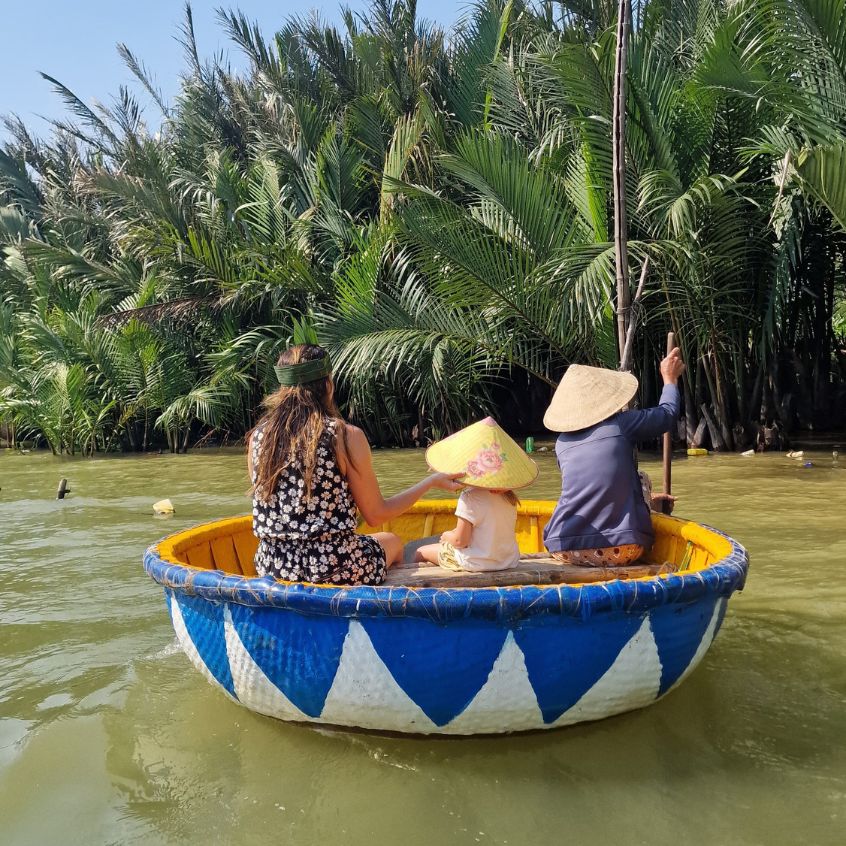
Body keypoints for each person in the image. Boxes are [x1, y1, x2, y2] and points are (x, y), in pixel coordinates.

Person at [248, 344, 462, 585]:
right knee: (392, 541)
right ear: (328, 384)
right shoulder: (345, 436)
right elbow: (376, 514)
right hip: (334, 566)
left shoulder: (259, 438)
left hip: (273, 565)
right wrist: (429, 482)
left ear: (283, 388)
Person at [542, 349, 685, 567]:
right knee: (641, 477)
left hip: (564, 549)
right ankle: (646, 512)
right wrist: (669, 379)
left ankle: (648, 505)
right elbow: (667, 414)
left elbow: (591, 485)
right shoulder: (621, 425)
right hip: (622, 550)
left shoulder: (562, 443)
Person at [414, 417, 538, 571]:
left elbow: (460, 541)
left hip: (475, 562)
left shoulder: (469, 497)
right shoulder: (509, 496)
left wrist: (447, 536)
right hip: (508, 561)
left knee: (420, 552)